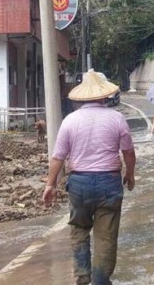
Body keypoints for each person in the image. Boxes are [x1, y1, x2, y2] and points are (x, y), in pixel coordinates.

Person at [42, 70, 136, 285]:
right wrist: (129, 174)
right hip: (109, 183)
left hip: (79, 184)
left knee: (79, 230)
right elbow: (128, 152)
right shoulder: (117, 118)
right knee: (106, 236)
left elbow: (58, 156)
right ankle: (102, 280)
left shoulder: (70, 120)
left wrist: (50, 184)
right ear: (103, 94)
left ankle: (83, 278)